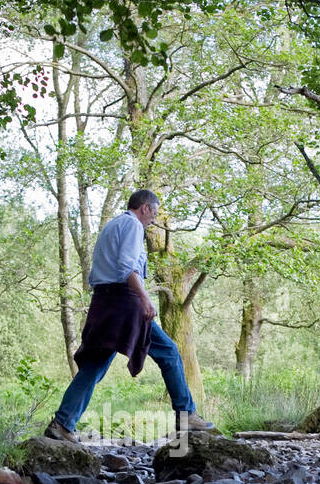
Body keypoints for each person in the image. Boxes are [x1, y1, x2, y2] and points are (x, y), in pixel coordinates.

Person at [44, 189, 214, 443]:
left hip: (103, 301)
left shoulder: (113, 225)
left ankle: (62, 423)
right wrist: (145, 299)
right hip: (124, 301)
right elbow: (127, 267)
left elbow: (99, 272)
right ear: (144, 208)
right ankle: (186, 414)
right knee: (168, 351)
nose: (154, 219)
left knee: (95, 364)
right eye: (154, 213)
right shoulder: (133, 225)